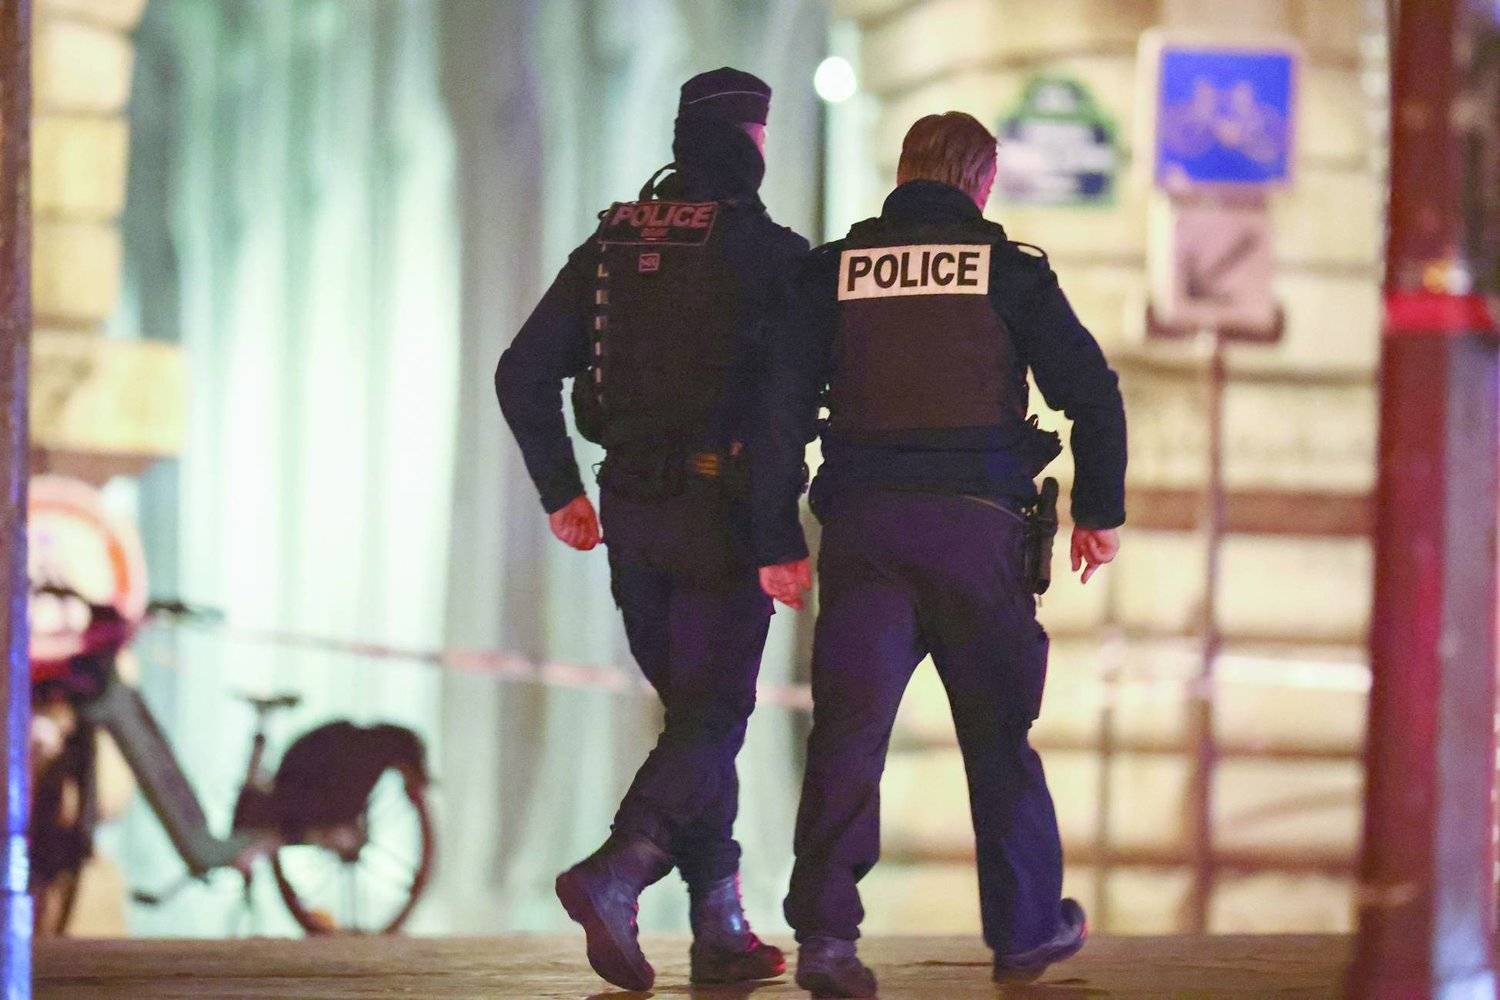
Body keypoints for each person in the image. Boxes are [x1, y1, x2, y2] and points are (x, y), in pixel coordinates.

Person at [753, 111, 1127, 997]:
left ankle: (827, 939)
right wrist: (1098, 512)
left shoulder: (835, 273)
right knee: (999, 739)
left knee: (848, 736)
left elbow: (777, 410)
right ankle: (1025, 931)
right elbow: (1094, 393)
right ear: (982, 182)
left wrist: (775, 539)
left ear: (905, 172)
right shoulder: (1009, 272)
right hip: (978, 538)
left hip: (866, 538)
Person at [494, 68, 809, 992]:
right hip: (723, 518)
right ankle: (619, 869)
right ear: (750, 142)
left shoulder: (612, 243)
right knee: (713, 718)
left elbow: (522, 371)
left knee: (696, 724)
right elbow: (784, 413)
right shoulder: (770, 253)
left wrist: (562, 491)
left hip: (631, 516)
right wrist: (777, 535)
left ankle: (721, 929)